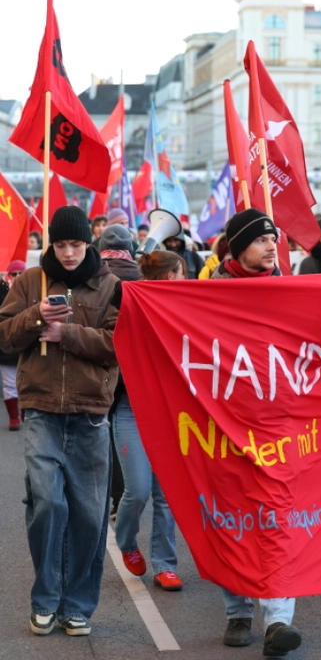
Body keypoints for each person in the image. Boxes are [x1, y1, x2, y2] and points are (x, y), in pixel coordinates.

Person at [0, 206, 121, 637]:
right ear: (51, 243)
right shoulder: (30, 281)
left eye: (76, 244)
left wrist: (65, 333)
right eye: (62, 244)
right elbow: (3, 336)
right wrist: (36, 317)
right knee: (47, 505)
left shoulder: (111, 285)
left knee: (89, 516)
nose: (69, 252)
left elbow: (120, 344)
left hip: (91, 415)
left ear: (89, 242)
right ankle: (45, 599)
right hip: (41, 410)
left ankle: (78, 607)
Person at [210, 208, 301, 657]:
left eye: (273, 239)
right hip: (224, 426)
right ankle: (237, 610)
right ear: (240, 246)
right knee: (233, 520)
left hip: (278, 426)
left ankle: (278, 620)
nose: (271, 246)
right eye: (262, 239)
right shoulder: (210, 296)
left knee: (278, 520)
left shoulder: (292, 291)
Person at [111, 250, 186, 592]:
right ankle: (127, 542)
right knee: (138, 490)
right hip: (130, 408)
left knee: (167, 495)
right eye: (182, 273)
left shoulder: (185, 308)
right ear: (170, 276)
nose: (185, 280)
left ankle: (165, 566)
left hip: (169, 411)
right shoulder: (130, 299)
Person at [100, 225, 140, 519]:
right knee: (130, 435)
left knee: (103, 432)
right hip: (134, 369)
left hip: (102, 364)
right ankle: (125, 496)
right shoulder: (141, 275)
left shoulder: (95, 277)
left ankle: (110, 496)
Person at [0, 260, 26, 430]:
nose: (17, 277)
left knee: (26, 383)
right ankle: (14, 418)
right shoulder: (2, 291)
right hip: (6, 346)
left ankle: (25, 414)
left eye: (21, 273)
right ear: (8, 275)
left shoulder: (32, 289)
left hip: (26, 344)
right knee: (9, 383)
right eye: (14, 274)